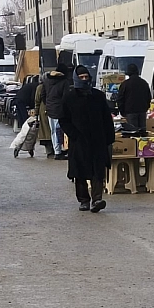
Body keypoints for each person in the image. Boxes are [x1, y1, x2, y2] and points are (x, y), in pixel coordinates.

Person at [59, 66, 116, 213]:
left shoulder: (98, 96)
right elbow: (63, 119)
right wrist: (74, 134)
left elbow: (106, 118)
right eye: (81, 77)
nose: (84, 80)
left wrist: (109, 137)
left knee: (98, 171)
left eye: (86, 77)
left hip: (98, 140)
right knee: (80, 172)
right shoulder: (69, 97)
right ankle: (84, 200)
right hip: (79, 142)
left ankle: (97, 199)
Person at [41, 64, 71, 160]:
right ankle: (60, 151)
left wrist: (48, 104)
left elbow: (43, 94)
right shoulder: (64, 82)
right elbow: (66, 97)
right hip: (60, 110)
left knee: (54, 131)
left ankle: (57, 150)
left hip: (50, 109)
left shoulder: (47, 80)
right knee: (60, 130)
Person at [116, 63, 152, 130]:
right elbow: (148, 97)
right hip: (142, 111)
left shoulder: (125, 84)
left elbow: (120, 99)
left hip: (130, 111)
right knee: (142, 131)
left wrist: (122, 112)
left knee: (133, 132)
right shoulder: (144, 83)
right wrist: (146, 108)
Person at [34, 77, 54, 157]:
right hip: (54, 109)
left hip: (44, 110)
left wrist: (36, 113)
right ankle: (55, 150)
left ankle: (49, 151)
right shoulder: (54, 85)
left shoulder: (40, 87)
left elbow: (37, 100)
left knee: (45, 131)